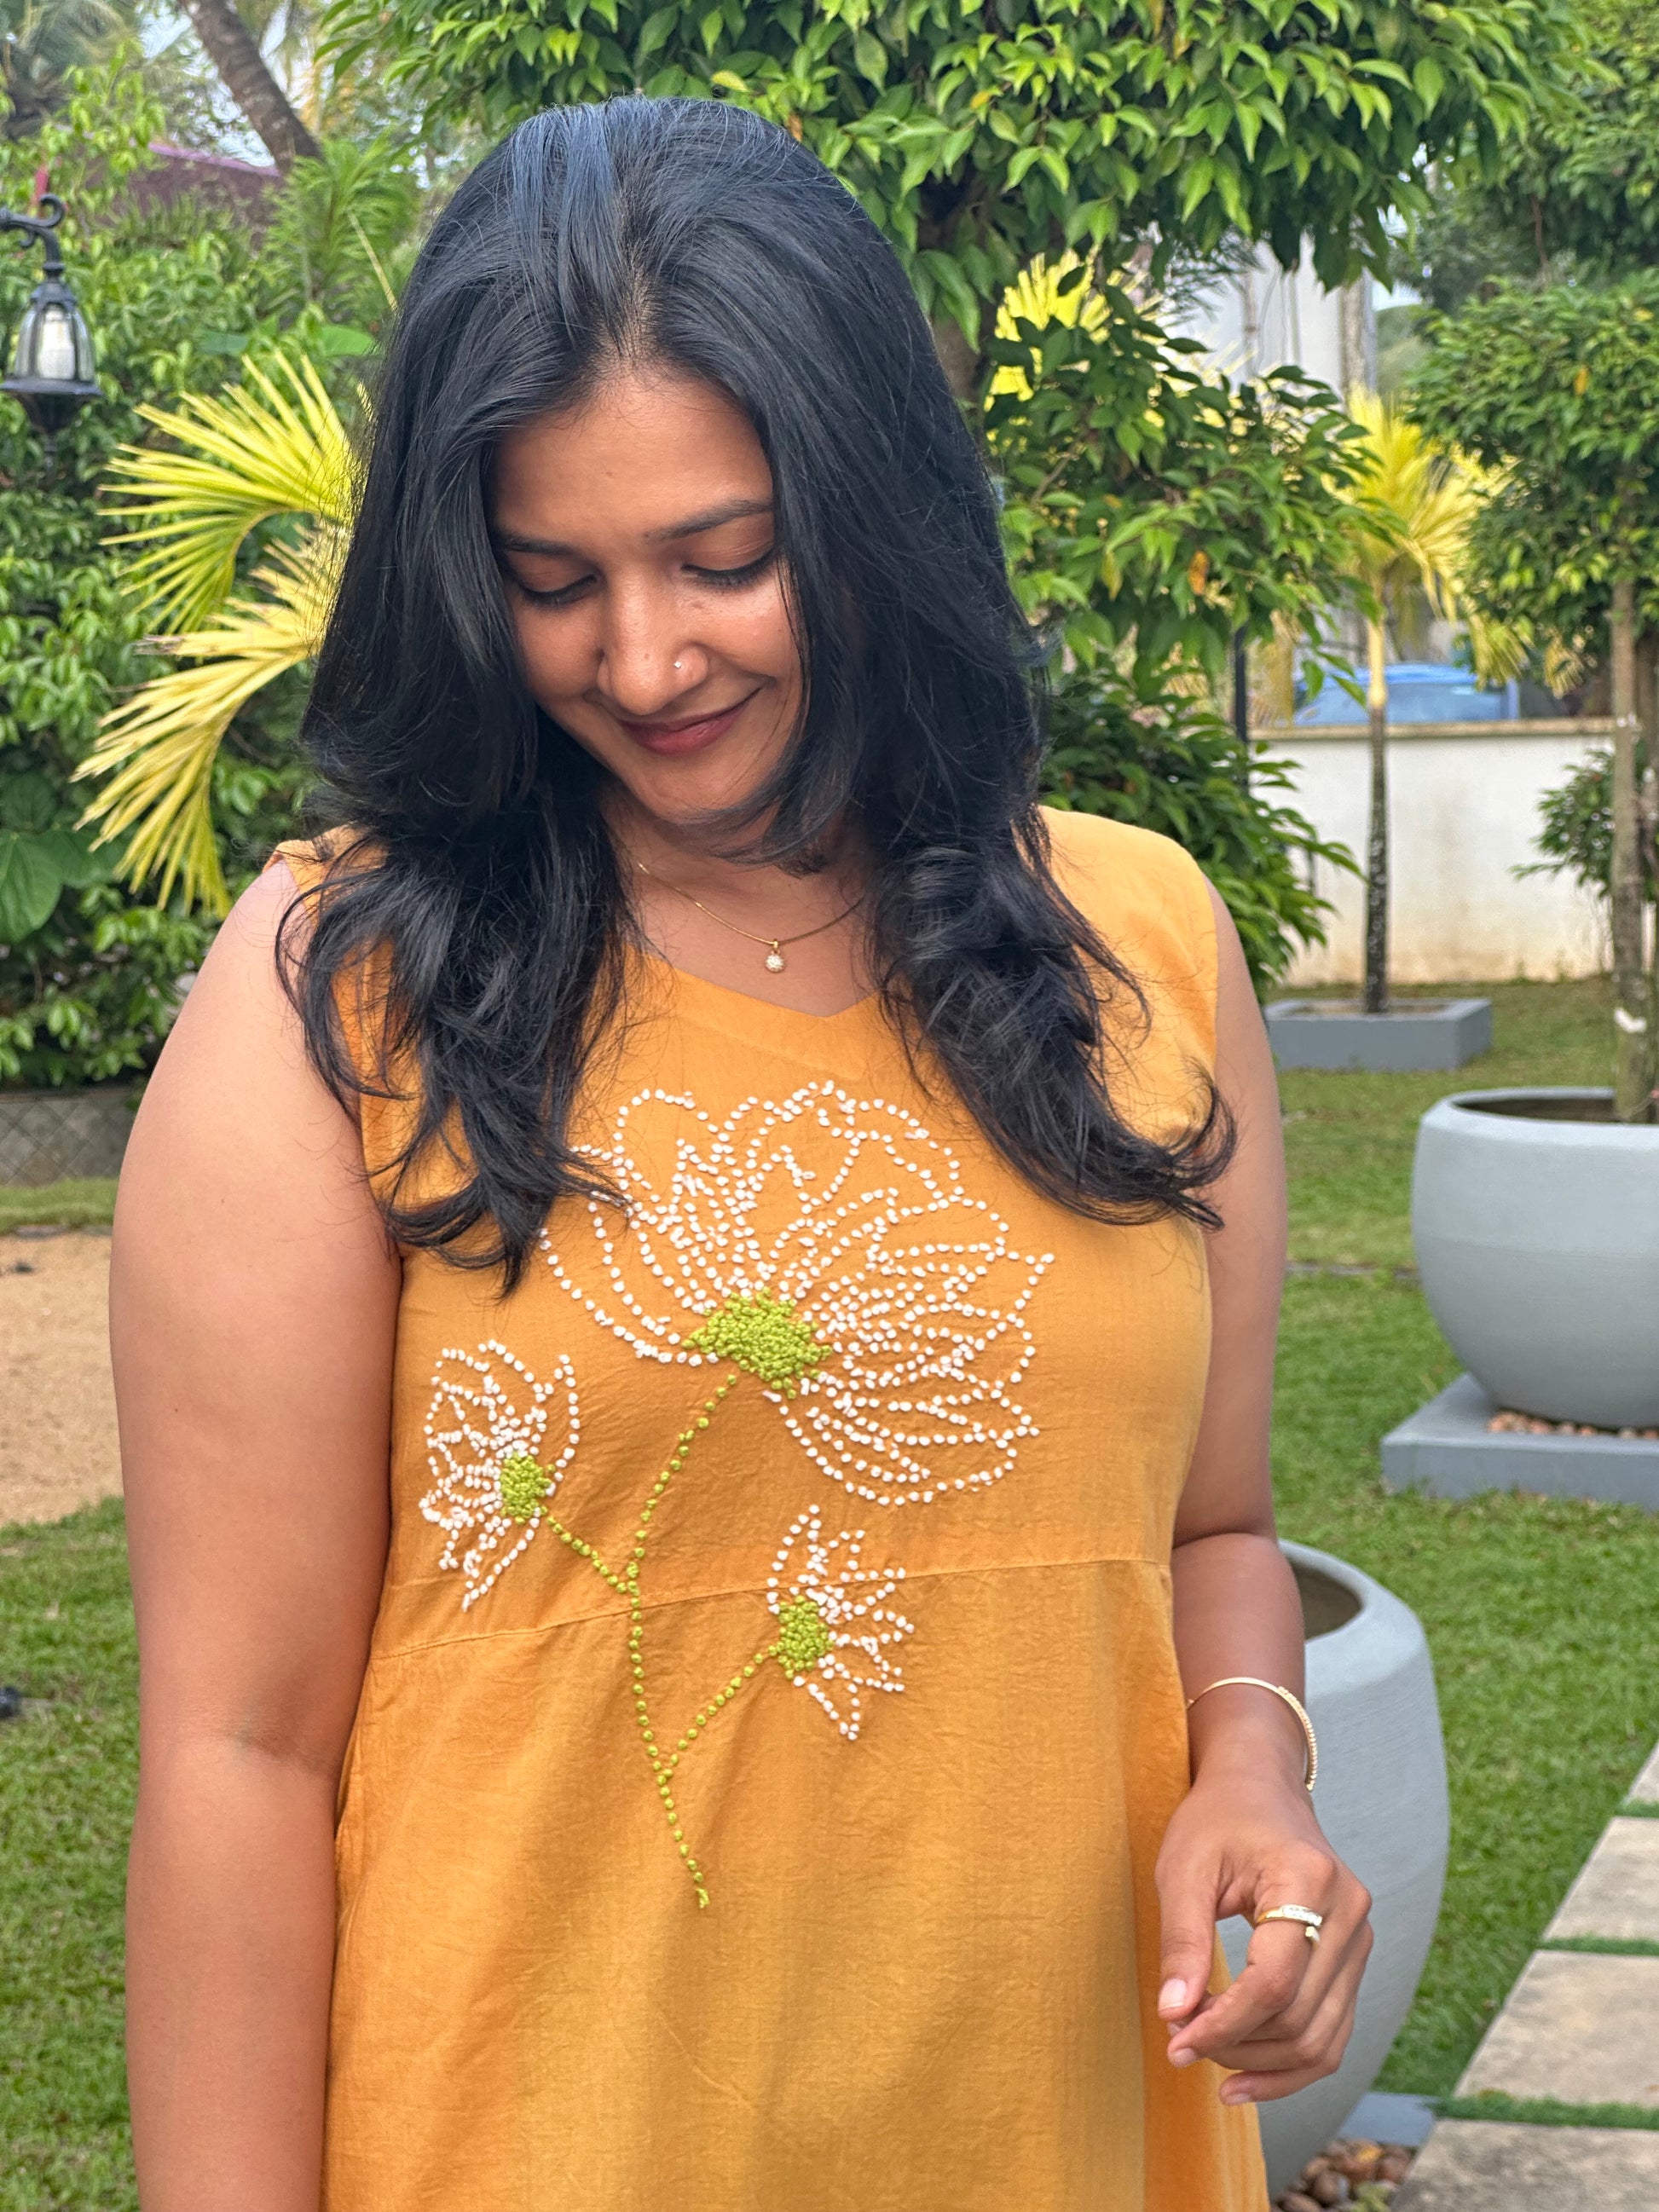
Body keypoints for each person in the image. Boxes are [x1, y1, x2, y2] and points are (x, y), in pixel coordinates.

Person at [116, 94, 1372, 2212]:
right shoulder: (341, 997)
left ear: (872, 508)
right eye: (553, 581)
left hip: (1055, 2140)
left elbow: (1215, 1524)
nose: (646, 658)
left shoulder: (1136, 942)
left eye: (723, 557)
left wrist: (1253, 1762)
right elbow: (241, 1755)